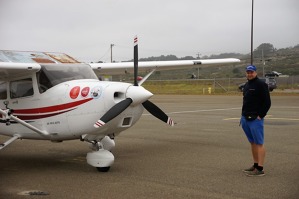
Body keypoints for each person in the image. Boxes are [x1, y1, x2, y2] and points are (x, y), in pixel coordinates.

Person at [240, 65, 271, 177]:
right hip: (245, 118)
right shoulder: (247, 85)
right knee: (252, 142)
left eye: (251, 72)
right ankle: (255, 164)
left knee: (259, 143)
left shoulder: (261, 84)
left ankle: (260, 168)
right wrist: (242, 116)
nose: (249, 74)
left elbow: (267, 102)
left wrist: (260, 115)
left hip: (255, 119)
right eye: (248, 72)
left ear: (256, 73)